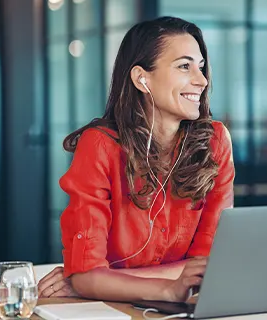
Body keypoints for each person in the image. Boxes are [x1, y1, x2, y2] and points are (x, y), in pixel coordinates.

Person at [37, 16, 235, 303]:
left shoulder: (216, 142)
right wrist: (166, 285)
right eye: (184, 66)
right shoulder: (100, 145)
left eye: (201, 67)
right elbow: (88, 273)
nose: (202, 80)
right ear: (142, 78)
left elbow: (210, 267)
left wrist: (96, 282)